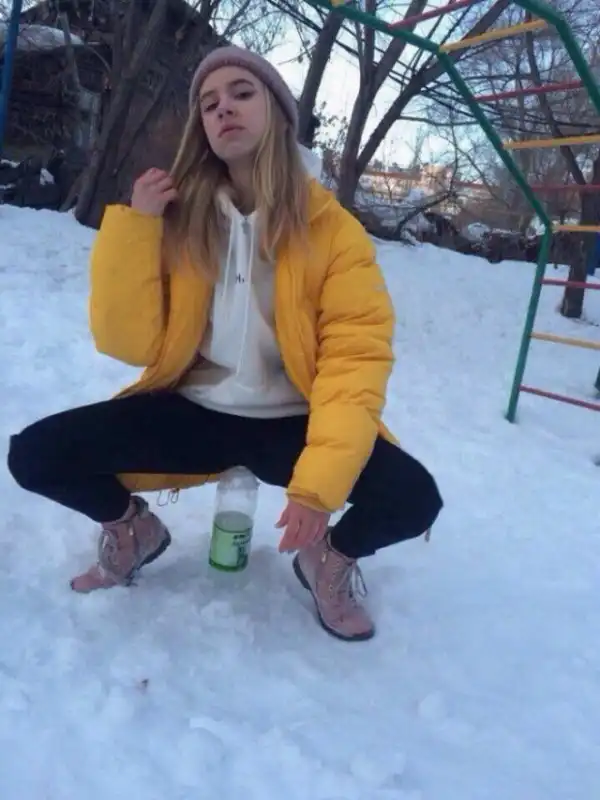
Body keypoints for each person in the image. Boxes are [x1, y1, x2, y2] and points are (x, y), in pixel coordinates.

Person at [7, 46, 443, 642]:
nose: (223, 110)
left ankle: (328, 560)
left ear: (278, 115)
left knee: (413, 498)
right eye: (209, 104)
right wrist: (137, 228)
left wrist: (318, 489)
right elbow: (128, 341)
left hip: (291, 420)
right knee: (36, 454)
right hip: (196, 411)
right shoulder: (180, 216)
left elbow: (354, 361)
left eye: (242, 93)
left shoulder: (334, 232)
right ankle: (133, 530)